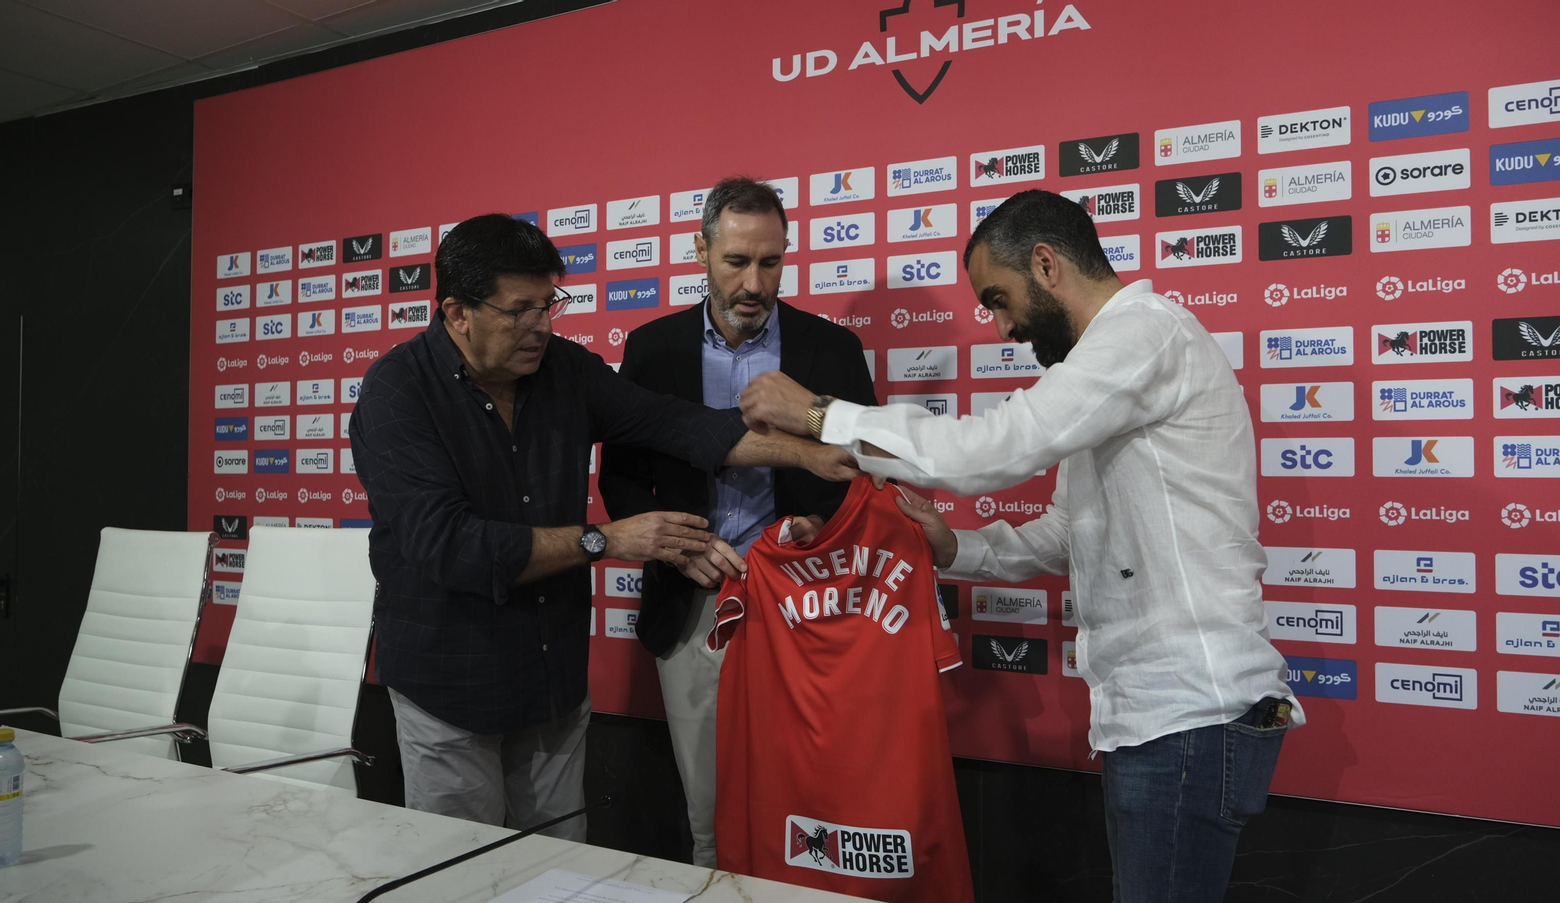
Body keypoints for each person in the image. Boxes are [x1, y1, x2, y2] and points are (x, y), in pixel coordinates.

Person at [738, 189, 1301, 903]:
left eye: (999, 300)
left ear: (1045, 264)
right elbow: (1068, 530)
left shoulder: (1144, 335)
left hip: (1190, 713)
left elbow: (992, 449)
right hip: (1160, 715)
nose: (1003, 327)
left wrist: (821, 415)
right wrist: (955, 548)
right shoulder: (1110, 366)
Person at [349, 213, 856, 838]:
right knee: (461, 869)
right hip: (450, 688)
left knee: (561, 866)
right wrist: (608, 539)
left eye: (548, 304)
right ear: (458, 313)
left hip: (552, 682)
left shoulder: (564, 368)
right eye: (520, 311)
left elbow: (678, 424)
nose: (541, 325)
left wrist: (805, 452)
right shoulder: (397, 392)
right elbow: (451, 546)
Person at [598, 177, 877, 867]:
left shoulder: (832, 349)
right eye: (736, 262)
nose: (755, 283)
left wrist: (820, 526)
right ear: (701, 252)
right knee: (710, 818)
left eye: (770, 262)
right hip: (692, 603)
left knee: (812, 812)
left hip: (808, 605)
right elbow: (620, 477)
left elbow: (866, 472)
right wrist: (673, 544)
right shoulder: (653, 348)